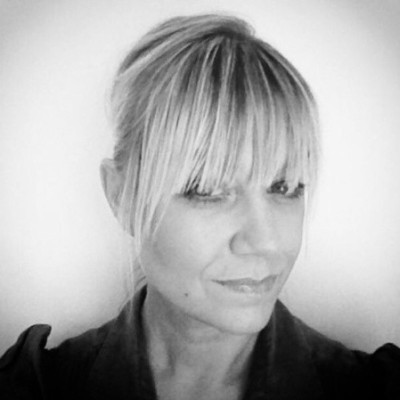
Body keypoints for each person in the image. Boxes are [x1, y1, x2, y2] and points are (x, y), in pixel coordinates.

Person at [0, 14, 399, 400]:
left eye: (285, 187)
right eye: (207, 189)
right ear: (122, 197)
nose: (266, 241)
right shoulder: (33, 386)